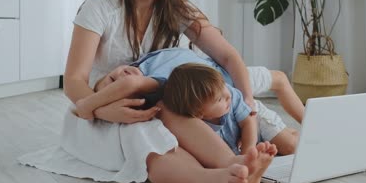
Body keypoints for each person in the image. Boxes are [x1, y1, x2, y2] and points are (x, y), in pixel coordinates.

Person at [63, 0, 275, 183]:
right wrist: (101, 110)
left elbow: (228, 56)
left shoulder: (174, 7)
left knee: (175, 109)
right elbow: (73, 81)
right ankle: (212, 180)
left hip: (160, 102)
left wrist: (248, 101)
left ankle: (235, 164)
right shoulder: (100, 8)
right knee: (148, 133)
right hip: (101, 106)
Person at [74, 48, 300, 155]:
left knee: (289, 145)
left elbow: (248, 117)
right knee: (284, 145)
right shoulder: (164, 95)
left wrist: (87, 105)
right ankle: (295, 133)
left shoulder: (148, 74)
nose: (121, 77)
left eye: (114, 75)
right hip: (214, 90)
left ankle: (307, 132)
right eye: (113, 84)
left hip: (224, 85)